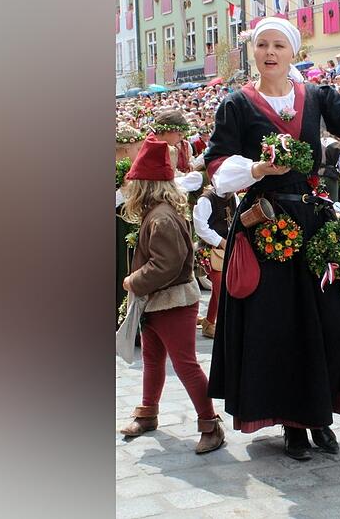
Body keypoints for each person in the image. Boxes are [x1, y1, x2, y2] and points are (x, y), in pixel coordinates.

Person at [203, 17, 340, 461]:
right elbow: (216, 166)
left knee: (332, 319)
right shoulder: (237, 105)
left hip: (311, 222)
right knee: (279, 326)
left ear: (293, 53)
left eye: (279, 45)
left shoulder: (315, 97)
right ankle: (293, 422)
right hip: (265, 223)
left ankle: (321, 412)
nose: (270, 52)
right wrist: (255, 169)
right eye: (262, 45)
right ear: (253, 52)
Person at [118, 136, 226, 454]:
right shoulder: (159, 212)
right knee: (152, 359)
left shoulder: (161, 217)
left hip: (172, 302)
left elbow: (166, 264)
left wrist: (133, 281)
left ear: (145, 185)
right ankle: (148, 412)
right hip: (160, 301)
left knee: (185, 364)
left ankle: (210, 423)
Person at [193, 185, 238, 338]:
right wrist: (221, 241)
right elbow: (200, 227)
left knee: (219, 288)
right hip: (209, 249)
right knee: (221, 289)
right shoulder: (206, 199)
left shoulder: (233, 196)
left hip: (227, 249)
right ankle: (224, 327)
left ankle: (209, 322)